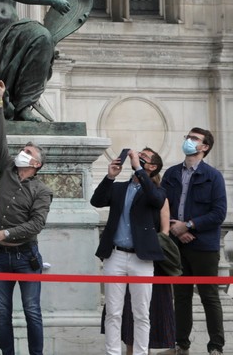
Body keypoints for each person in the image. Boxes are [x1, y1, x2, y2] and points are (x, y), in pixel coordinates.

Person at [0, 79, 53, 355]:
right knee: (2, 313)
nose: (22, 152)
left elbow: (37, 224)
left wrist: (5, 233)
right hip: (0, 255)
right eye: (23, 149)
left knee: (32, 311)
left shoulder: (42, 190)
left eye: (29, 152)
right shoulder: (8, 169)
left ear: (36, 164)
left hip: (26, 256)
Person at [93, 146, 167, 355]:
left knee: (141, 312)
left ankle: (141, 353)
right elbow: (96, 201)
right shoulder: (119, 188)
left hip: (141, 258)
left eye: (144, 157)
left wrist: (138, 169)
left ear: (152, 167)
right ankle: (113, 352)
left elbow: (156, 200)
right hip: (115, 255)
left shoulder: (156, 191)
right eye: (138, 155)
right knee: (113, 312)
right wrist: (109, 177)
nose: (138, 157)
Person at [160, 127, 226, 355]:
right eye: (188, 137)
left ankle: (215, 347)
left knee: (209, 296)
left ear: (204, 147)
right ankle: (181, 345)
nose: (189, 141)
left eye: (194, 138)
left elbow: (219, 213)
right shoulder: (171, 174)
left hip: (204, 246)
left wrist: (188, 226)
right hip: (177, 244)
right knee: (181, 296)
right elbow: (162, 206)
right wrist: (175, 230)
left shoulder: (213, 176)